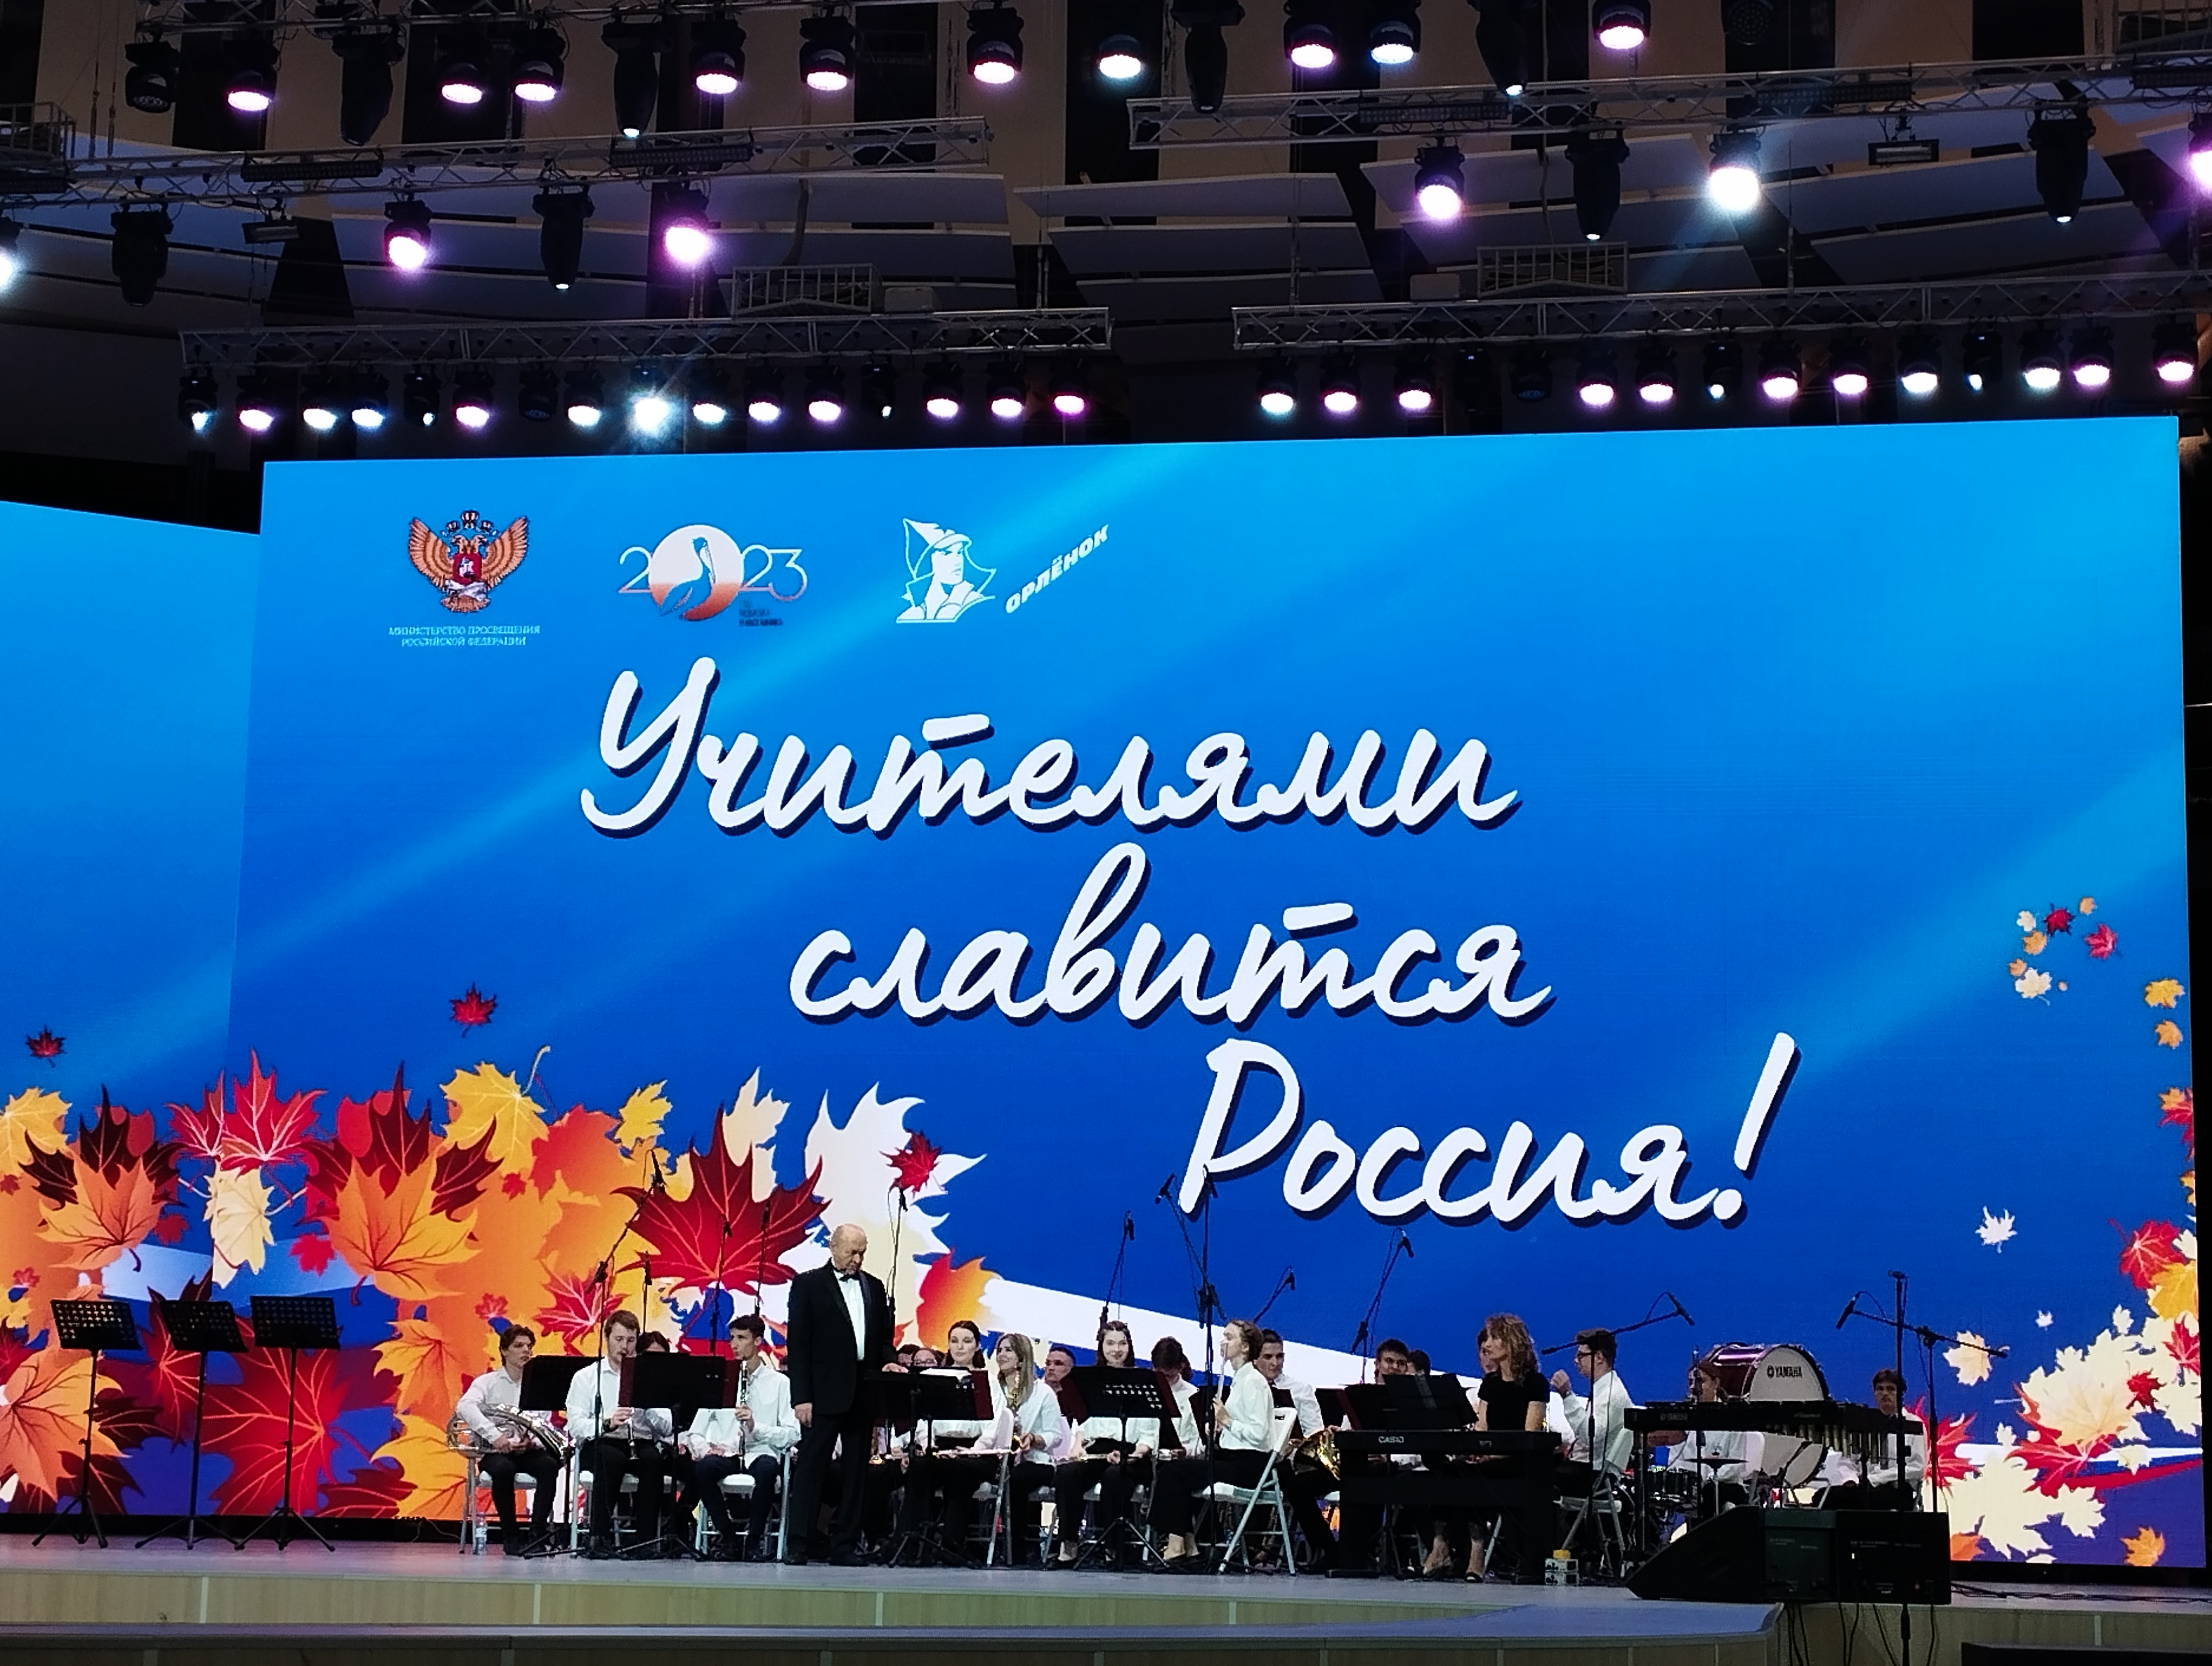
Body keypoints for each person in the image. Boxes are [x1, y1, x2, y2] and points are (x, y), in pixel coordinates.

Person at [783, 1222, 898, 1565]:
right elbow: (798, 1344)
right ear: (833, 1247)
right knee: (811, 1469)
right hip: (822, 1394)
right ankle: (799, 1543)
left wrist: (889, 1361)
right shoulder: (808, 1285)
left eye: (862, 1253)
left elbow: (883, 1339)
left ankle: (845, 1545)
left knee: (856, 1473)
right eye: (852, 1252)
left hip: (863, 1392)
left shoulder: (874, 1287)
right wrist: (801, 1397)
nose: (858, 1259)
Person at [916, 1332, 1064, 1564]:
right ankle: (966, 1544)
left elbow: (1055, 1435)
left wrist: (1034, 1438)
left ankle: (1017, 1549)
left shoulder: (1042, 1392)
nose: (1002, 1355)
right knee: (967, 1474)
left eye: (1009, 1350)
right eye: (1000, 1350)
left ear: (1022, 1357)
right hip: (996, 1456)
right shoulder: (990, 1386)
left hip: (1034, 1459)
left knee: (1017, 1480)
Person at [672, 1313, 800, 1560]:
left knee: (767, 1469)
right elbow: (695, 1431)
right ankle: (728, 1536)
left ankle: (753, 1541)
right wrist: (705, 1449)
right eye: (732, 1338)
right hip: (727, 1454)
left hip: (760, 1450)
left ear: (758, 1341)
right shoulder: (719, 1380)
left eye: (742, 1338)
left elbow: (792, 1434)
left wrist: (755, 1427)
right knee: (703, 1469)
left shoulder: (779, 1383)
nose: (735, 1344)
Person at [1150, 1318, 1275, 1568]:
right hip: (1233, 1458)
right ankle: (1189, 1545)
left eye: (1230, 1337)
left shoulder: (1254, 1382)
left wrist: (1227, 1421)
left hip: (1249, 1466)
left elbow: (1260, 1434)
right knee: (1176, 1470)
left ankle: (1177, 1546)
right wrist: (1219, 1429)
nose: (1222, 1342)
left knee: (1176, 1472)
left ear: (1245, 1347)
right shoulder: (1239, 1380)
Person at [564, 1309, 675, 1558]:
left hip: (640, 1441)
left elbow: (667, 1427)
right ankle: (599, 1537)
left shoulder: (649, 1377)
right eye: (619, 1339)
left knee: (653, 1461)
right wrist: (607, 1423)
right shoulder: (587, 1377)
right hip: (602, 1441)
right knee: (611, 1459)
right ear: (607, 1339)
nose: (625, 1347)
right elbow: (576, 1426)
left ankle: (644, 1540)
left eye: (631, 1340)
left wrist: (647, 1406)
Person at [1051, 1319, 1160, 1568]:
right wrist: (1077, 1446)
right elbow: (1083, 1423)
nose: (1116, 1350)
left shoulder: (1143, 1380)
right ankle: (1069, 1545)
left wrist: (1134, 1455)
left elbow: (1149, 1435)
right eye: (1110, 1343)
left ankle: (1114, 1548)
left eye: (1122, 1344)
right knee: (1067, 1474)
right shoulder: (1090, 1381)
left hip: (1132, 1454)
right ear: (1101, 1347)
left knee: (1114, 1476)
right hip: (1097, 1451)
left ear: (1130, 1346)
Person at [1459, 1312, 1553, 1582]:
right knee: (1453, 1472)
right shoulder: (1489, 1384)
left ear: (1511, 1342)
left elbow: (1529, 1435)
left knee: (1472, 1476)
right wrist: (1479, 1453)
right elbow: (1482, 1429)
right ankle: (1468, 1548)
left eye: (1493, 1338)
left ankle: (1485, 1554)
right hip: (1491, 1459)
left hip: (1520, 1461)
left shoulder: (1535, 1383)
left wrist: (1492, 1455)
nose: (1487, 1344)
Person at [454, 1324, 560, 1555]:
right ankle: (510, 1536)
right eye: (519, 1346)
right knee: (503, 1469)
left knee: (549, 1465)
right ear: (504, 1351)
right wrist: (496, 1436)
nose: (526, 1351)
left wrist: (531, 1442)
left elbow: (543, 1422)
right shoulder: (487, 1383)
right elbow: (465, 1407)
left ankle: (537, 1535)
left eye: (529, 1347)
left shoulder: (538, 1385)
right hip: (496, 1451)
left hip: (526, 1450)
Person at [1257, 1329, 1332, 1566]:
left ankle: (1323, 1547)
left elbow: (1316, 1433)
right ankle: (1245, 1545)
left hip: (1290, 1460)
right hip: (1255, 1456)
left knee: (1288, 1478)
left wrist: (1299, 1443)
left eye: (1279, 1356)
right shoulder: (1247, 1388)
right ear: (1255, 1359)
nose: (1275, 1363)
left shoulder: (1300, 1389)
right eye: (1268, 1357)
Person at [1823, 1369, 1924, 1509]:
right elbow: (1848, 1461)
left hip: (1897, 1489)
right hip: (1864, 1487)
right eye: (1880, 1389)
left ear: (1901, 1394)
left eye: (1891, 1389)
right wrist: (1850, 1480)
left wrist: (1877, 1479)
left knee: (1863, 1500)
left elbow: (1918, 1467)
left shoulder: (1914, 1424)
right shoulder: (1865, 1424)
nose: (1885, 1394)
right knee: (1823, 1497)